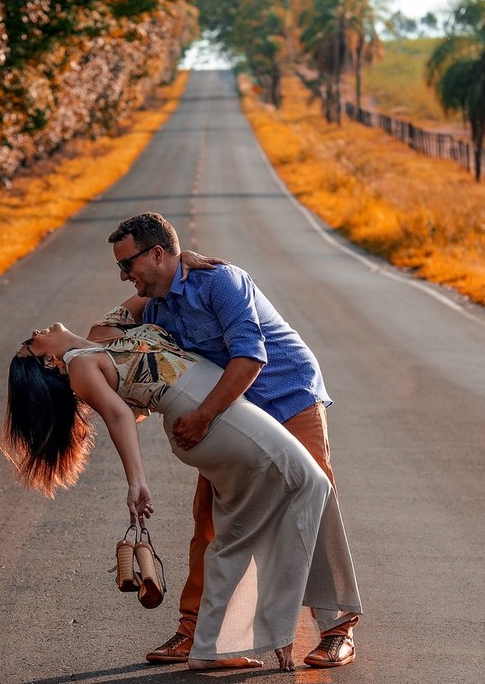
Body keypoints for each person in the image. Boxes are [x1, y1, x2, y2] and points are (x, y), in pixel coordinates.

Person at [1, 321, 361, 670]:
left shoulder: (101, 336)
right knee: (312, 486)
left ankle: (212, 647)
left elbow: (149, 283)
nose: (34, 333)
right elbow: (118, 416)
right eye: (31, 345)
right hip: (214, 423)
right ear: (49, 362)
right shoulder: (79, 366)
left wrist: (185, 258)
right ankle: (285, 629)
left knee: (236, 533)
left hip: (219, 418)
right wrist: (136, 481)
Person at [90, 211, 361, 668]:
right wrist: (154, 284)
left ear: (158, 253)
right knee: (209, 516)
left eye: (128, 264)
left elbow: (250, 358)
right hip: (236, 411)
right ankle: (195, 631)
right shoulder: (156, 306)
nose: (123, 274)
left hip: (285, 395)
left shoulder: (220, 281)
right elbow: (100, 336)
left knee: (312, 499)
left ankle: (337, 630)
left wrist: (203, 417)